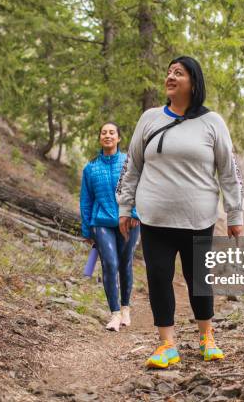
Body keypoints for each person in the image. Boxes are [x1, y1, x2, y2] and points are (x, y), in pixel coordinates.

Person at [116, 56, 244, 368]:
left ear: (193, 82)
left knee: (198, 278)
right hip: (154, 217)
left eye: (179, 73)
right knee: (159, 278)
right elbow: (132, 165)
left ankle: (207, 337)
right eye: (169, 72)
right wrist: (124, 206)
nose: (170, 77)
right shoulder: (149, 118)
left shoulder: (212, 122)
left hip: (198, 218)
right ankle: (167, 344)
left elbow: (229, 171)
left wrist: (235, 214)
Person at [80, 122, 141, 332]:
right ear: (100, 138)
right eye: (104, 133)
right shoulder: (90, 168)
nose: (107, 135)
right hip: (102, 223)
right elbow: (86, 200)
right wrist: (87, 230)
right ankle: (114, 314)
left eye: (111, 132)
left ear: (118, 138)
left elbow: (139, 189)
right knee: (110, 263)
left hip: (130, 223)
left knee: (125, 264)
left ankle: (125, 308)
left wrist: (135, 213)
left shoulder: (129, 162)